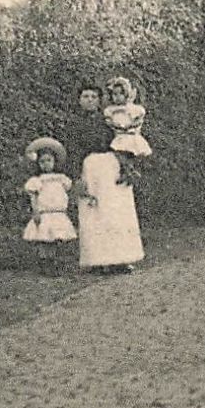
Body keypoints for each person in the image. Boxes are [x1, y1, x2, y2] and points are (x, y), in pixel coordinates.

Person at [75, 80, 145, 273]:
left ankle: (121, 259)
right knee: (92, 213)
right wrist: (77, 177)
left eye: (94, 97)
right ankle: (96, 261)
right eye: (85, 97)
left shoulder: (111, 120)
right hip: (88, 167)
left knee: (116, 212)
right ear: (79, 100)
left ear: (100, 100)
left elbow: (126, 141)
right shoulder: (73, 124)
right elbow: (73, 152)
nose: (90, 101)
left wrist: (127, 166)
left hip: (110, 166)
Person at [21, 137, 76, 268]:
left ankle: (54, 261)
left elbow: (67, 192)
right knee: (44, 238)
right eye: (42, 161)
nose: (46, 164)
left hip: (58, 213)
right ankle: (44, 262)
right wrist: (35, 211)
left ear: (54, 162)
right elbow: (33, 197)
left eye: (49, 160)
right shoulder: (37, 180)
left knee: (56, 237)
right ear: (38, 164)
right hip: (45, 213)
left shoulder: (61, 179)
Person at [103, 75, 152, 159]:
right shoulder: (111, 110)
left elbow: (139, 121)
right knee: (119, 154)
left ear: (126, 94)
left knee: (136, 154)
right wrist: (116, 125)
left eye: (121, 94)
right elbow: (109, 122)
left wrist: (130, 125)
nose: (118, 97)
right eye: (115, 94)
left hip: (132, 136)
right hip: (120, 137)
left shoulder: (133, 108)